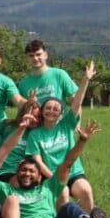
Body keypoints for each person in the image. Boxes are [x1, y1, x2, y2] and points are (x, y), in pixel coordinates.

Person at [4, 121, 106, 218]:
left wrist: (82, 140)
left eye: (32, 171)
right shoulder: (7, 189)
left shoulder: (49, 186)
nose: (27, 173)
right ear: (16, 173)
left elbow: (68, 164)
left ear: (40, 177)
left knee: (69, 207)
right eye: (23, 170)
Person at [25, 62, 97, 210]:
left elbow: (77, 102)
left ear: (61, 113)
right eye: (48, 108)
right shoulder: (35, 134)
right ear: (42, 111)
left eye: (56, 109)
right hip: (51, 175)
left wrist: (85, 80)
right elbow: (38, 161)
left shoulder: (66, 125)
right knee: (63, 193)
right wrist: (54, 179)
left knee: (86, 190)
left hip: (73, 172)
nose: (51, 111)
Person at [18, 40, 80, 104]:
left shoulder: (59, 75)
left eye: (38, 54)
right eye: (31, 56)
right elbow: (23, 108)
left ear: (46, 55)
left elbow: (76, 100)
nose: (35, 58)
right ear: (27, 58)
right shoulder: (23, 84)